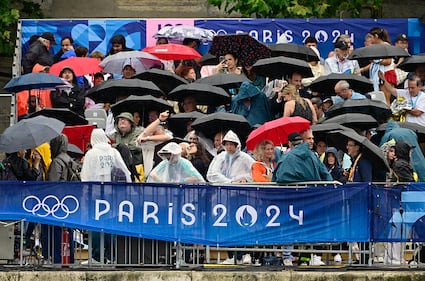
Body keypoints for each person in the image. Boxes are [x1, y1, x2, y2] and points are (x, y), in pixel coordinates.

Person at [45, 134, 75, 264]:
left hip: (56, 204)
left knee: (55, 233)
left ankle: (56, 258)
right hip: (68, 202)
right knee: (68, 233)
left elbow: (52, 183)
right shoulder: (70, 160)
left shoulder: (57, 162)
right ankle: (69, 258)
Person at [136, 110, 173, 177]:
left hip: (165, 177)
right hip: (149, 176)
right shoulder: (146, 143)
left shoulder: (167, 142)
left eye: (162, 129)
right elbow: (145, 133)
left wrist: (148, 138)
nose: (160, 130)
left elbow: (168, 137)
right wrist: (159, 120)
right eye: (157, 129)